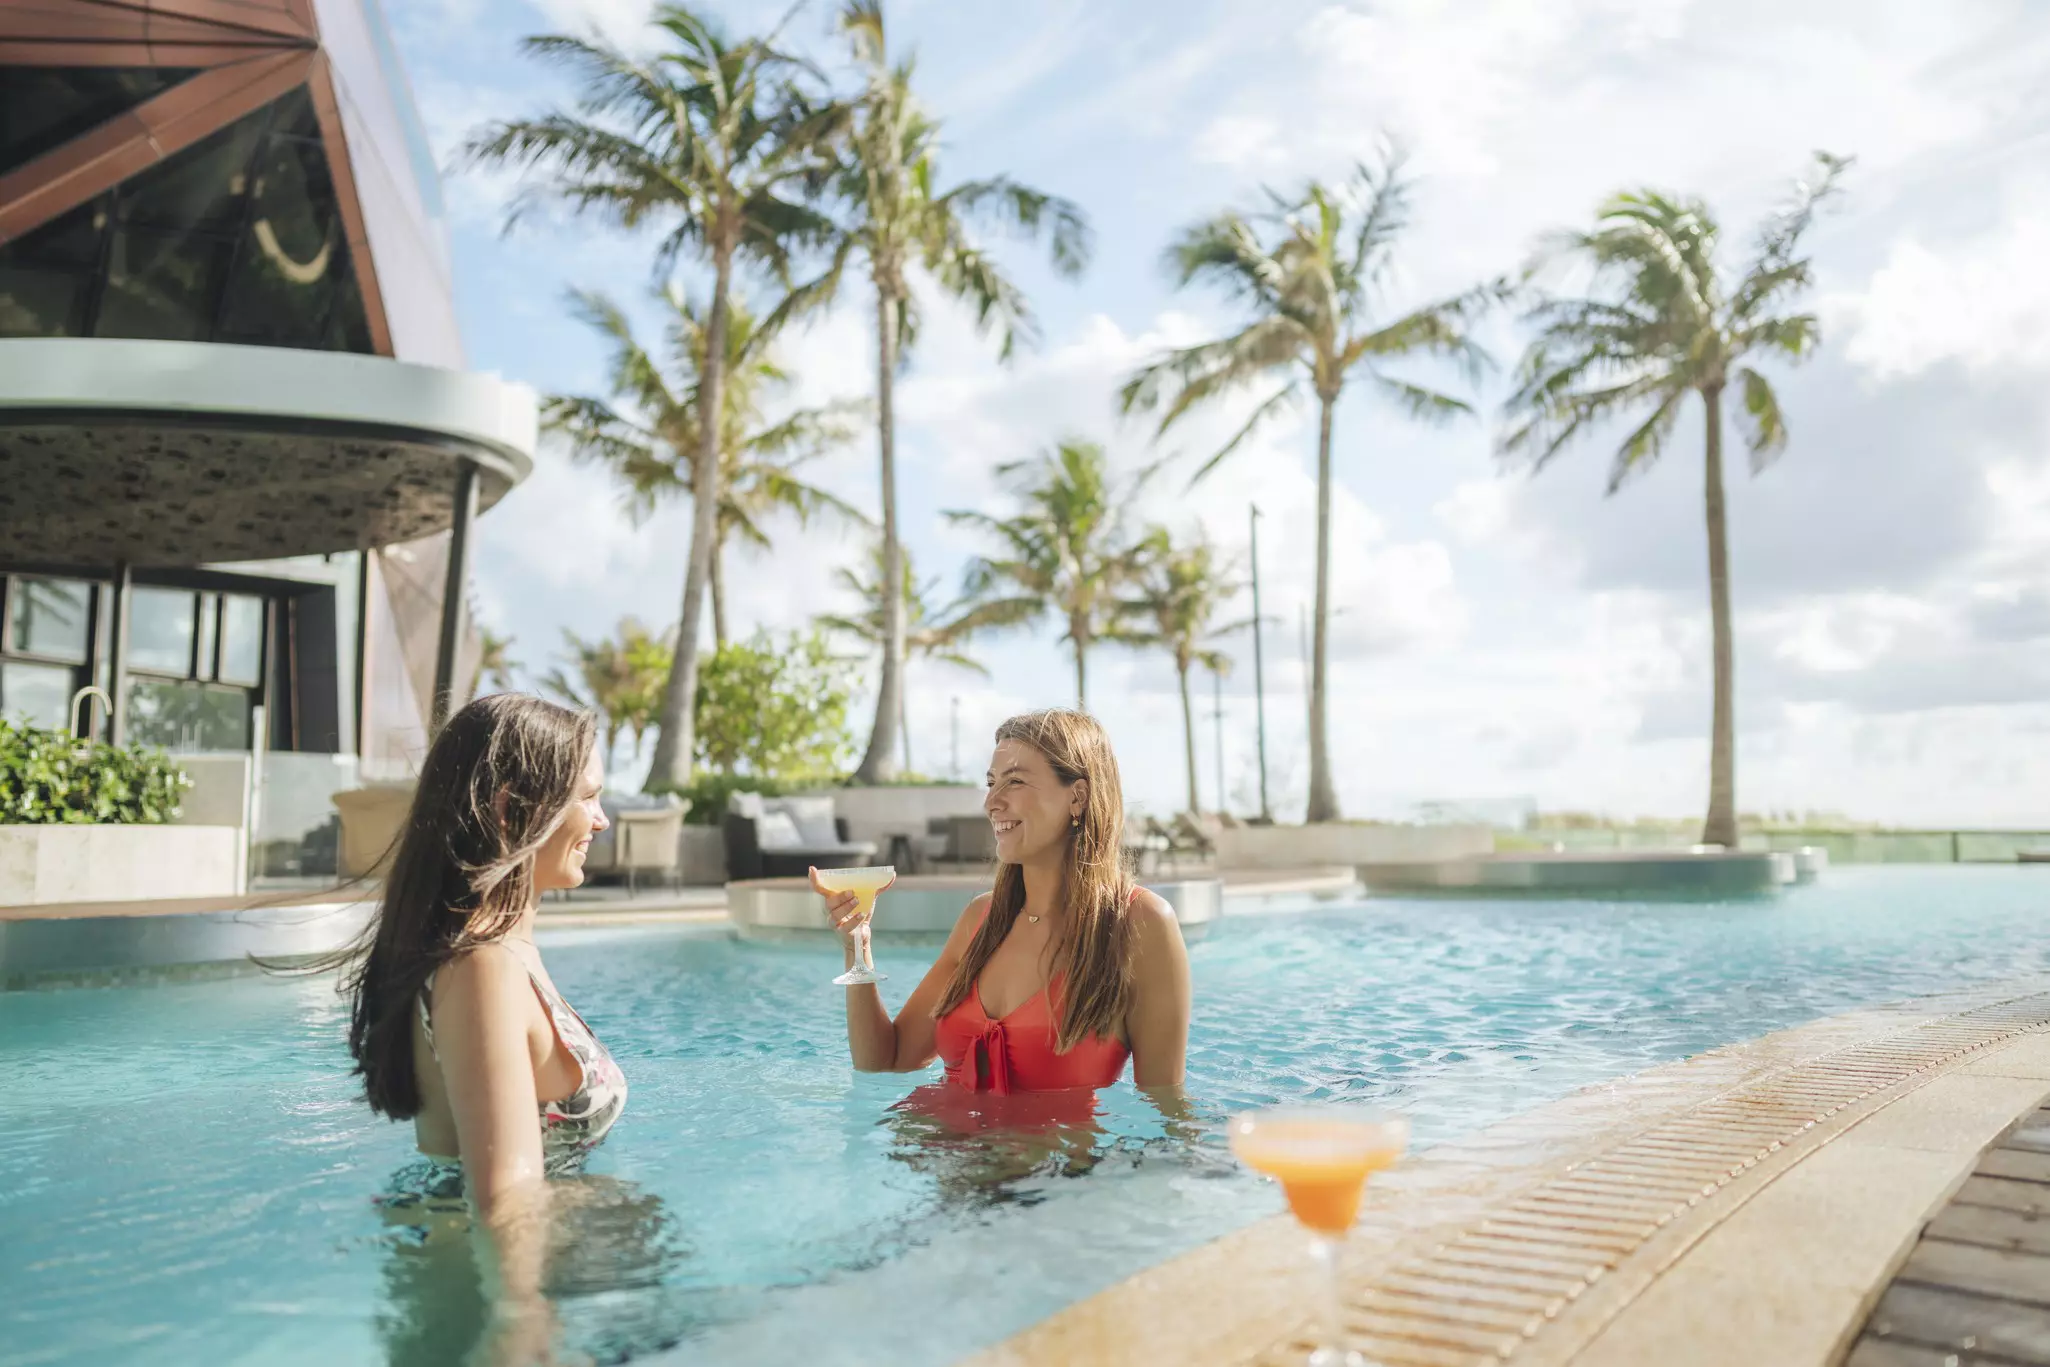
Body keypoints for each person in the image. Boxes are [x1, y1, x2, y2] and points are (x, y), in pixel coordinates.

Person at [322, 692, 625, 1360]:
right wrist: (523, 1320)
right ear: (513, 809)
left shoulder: (502, 950)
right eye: (588, 797)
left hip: (491, 1279)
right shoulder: (481, 967)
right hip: (481, 1302)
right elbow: (508, 1192)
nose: (602, 819)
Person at [816, 708, 1192, 1099]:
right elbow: (885, 1061)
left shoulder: (1139, 924)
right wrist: (856, 944)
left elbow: (1165, 1111)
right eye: (991, 782)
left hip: (1057, 1162)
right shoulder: (981, 920)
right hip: (930, 1156)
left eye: (1014, 781)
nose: (992, 802)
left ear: (1077, 797)